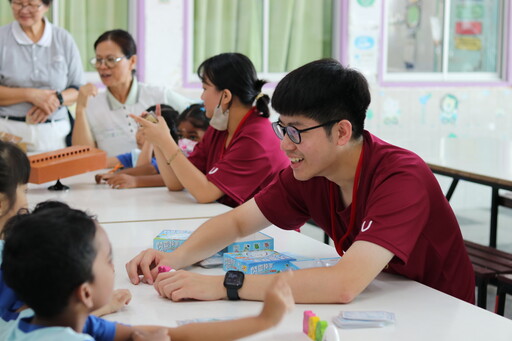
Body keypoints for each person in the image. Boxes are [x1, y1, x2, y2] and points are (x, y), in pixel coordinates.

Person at [126, 59, 475, 305]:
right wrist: (174, 258)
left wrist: (223, 285)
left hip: (441, 311)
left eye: (295, 131)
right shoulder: (309, 171)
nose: (284, 144)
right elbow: (236, 222)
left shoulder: (401, 176)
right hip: (385, 297)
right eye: (282, 128)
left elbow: (343, 284)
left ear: (341, 131)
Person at [0, 202, 294, 340]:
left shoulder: (35, 320)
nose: (114, 267)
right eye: (108, 259)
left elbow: (177, 334)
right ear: (85, 292)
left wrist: (262, 322)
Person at [0, 142, 130, 339]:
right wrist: (96, 306)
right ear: (1, 202)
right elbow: (38, 327)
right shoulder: (12, 253)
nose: (26, 203)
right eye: (24, 191)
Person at [132, 53, 289, 207]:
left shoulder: (257, 137)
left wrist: (165, 140)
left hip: (268, 230)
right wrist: (158, 141)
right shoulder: (220, 128)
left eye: (205, 88)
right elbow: (175, 182)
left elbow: (205, 193)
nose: (202, 96)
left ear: (225, 96)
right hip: (233, 220)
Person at [71, 29, 193, 156]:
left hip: (158, 174)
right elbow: (83, 157)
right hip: (112, 174)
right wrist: (80, 109)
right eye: (98, 60)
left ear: (132, 61)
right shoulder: (92, 104)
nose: (102, 66)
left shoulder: (159, 95)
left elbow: (198, 113)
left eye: (111, 59)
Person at [0, 0, 84, 152]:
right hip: (9, 132)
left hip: (55, 134)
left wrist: (56, 100)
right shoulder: (2, 38)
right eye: (18, 3)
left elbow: (79, 89)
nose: (24, 10)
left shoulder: (63, 38)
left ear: (46, 6)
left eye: (32, 4)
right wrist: (30, 95)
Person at [96, 103, 209, 190]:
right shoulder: (136, 154)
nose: (140, 135)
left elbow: (149, 169)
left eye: (193, 137)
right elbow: (176, 183)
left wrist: (134, 180)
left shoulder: (172, 156)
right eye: (139, 128)